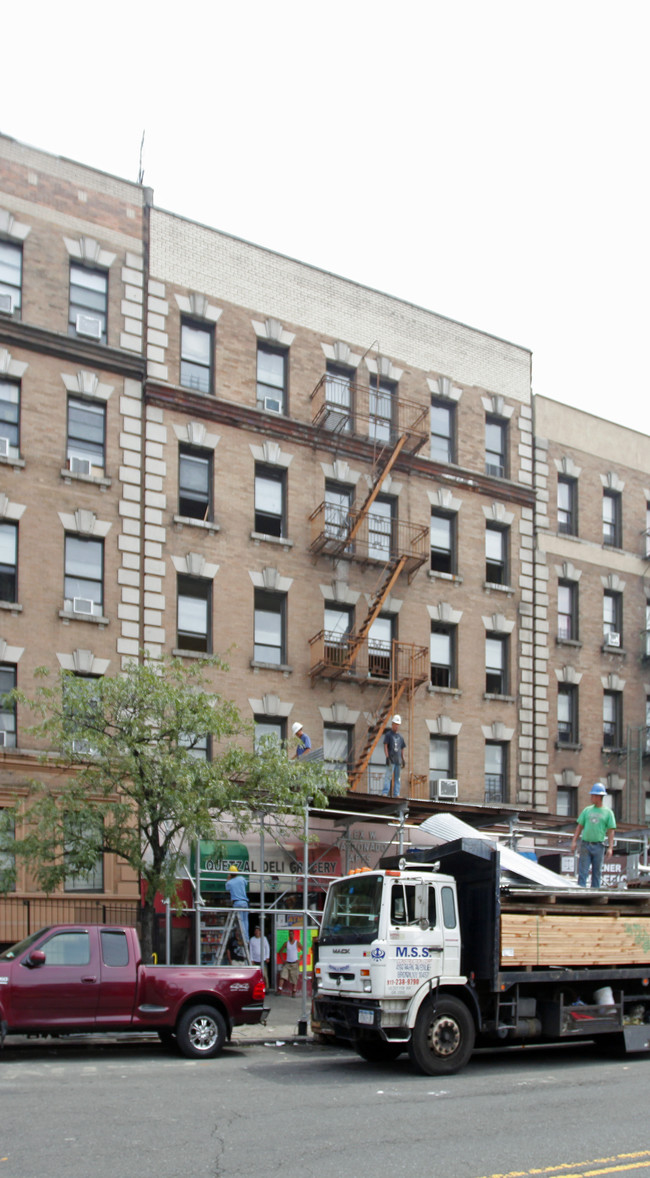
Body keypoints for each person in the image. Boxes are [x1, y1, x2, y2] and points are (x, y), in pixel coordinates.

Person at [570, 783, 616, 888]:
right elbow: (579, 826)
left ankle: (595, 892)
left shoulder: (608, 813)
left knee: (597, 872)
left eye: (593, 795)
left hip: (599, 846)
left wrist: (610, 847)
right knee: (583, 871)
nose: (591, 798)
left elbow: (611, 830)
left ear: (599, 796)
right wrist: (574, 841)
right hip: (586, 844)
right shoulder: (587, 810)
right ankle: (581, 892)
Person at [381, 714, 406, 797]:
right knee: (388, 776)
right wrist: (387, 757)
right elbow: (385, 746)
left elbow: (402, 749)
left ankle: (396, 794)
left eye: (398, 725)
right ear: (392, 724)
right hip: (391, 759)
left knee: (397, 778)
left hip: (398, 760)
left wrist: (403, 759)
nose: (397, 726)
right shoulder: (388, 735)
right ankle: (385, 792)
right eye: (395, 724)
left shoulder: (401, 737)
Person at [278, 928, 302, 997]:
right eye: (290, 934)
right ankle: (280, 989)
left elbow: (304, 950)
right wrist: (283, 960)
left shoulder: (297, 943)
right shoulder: (286, 943)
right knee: (282, 975)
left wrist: (300, 960)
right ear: (289, 935)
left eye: (292, 934)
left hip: (295, 963)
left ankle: (293, 992)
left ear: (294, 935)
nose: (291, 935)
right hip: (287, 963)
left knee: (294, 978)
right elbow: (280, 951)